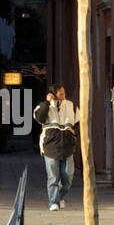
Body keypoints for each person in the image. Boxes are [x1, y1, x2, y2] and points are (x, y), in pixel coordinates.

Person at [33, 83, 79, 211]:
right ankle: (53, 202)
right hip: (51, 146)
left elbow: (79, 122)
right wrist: (47, 103)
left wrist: (74, 132)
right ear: (53, 95)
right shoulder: (43, 106)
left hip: (67, 146)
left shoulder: (71, 106)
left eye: (64, 93)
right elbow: (40, 118)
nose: (64, 96)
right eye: (61, 94)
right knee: (53, 176)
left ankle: (59, 197)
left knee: (68, 176)